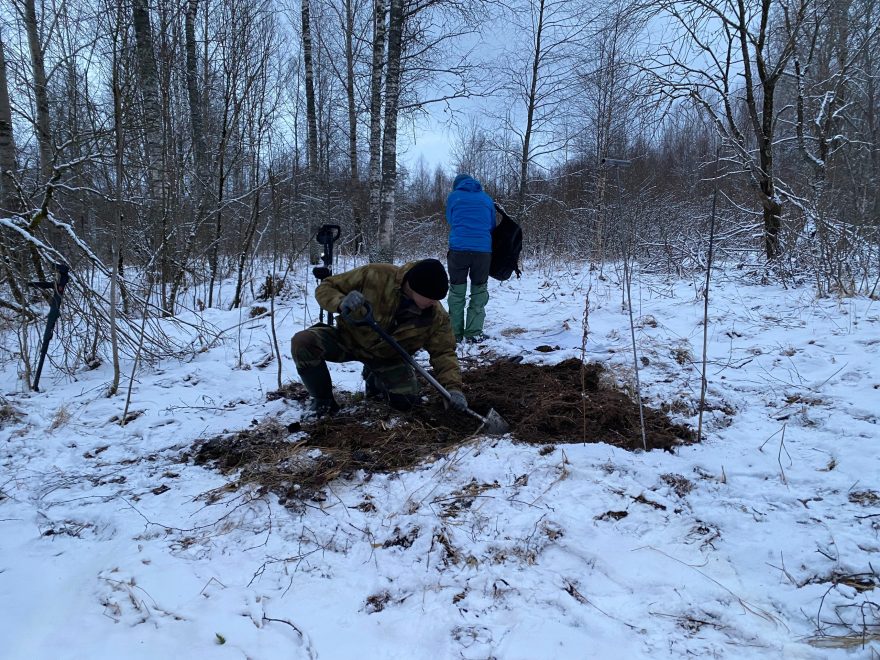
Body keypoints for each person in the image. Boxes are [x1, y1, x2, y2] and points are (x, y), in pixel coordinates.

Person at [291, 258, 469, 418]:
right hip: (348, 339)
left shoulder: (435, 316)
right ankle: (323, 402)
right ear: (414, 286)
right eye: (431, 298)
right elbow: (326, 287)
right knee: (303, 342)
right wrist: (341, 301)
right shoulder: (375, 275)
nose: (434, 303)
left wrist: (453, 388)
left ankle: (374, 380)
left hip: (388, 357)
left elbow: (444, 353)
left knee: (407, 402)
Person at [445, 173, 496, 343]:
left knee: (457, 290)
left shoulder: (454, 197)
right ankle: (473, 333)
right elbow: (491, 225)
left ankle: (455, 334)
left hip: (458, 250)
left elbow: (450, 220)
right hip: (482, 252)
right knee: (479, 290)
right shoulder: (486, 199)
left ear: (457, 185)